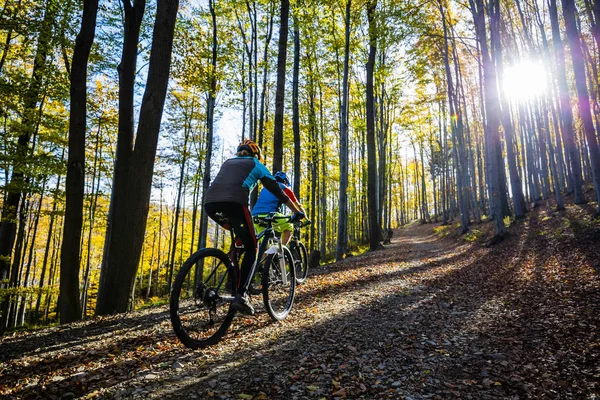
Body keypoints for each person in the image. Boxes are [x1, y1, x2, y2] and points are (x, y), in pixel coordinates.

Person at [204, 140, 303, 315]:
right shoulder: (256, 164)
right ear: (256, 155)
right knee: (252, 248)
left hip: (210, 205)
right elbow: (276, 190)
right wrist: (297, 211)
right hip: (235, 204)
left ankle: (233, 279)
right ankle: (241, 295)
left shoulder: (228, 162)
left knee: (240, 242)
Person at [252, 171, 307, 246]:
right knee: (289, 226)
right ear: (285, 181)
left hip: (255, 216)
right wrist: (306, 218)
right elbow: (298, 205)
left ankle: (267, 257)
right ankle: (282, 252)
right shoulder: (285, 188)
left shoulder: (265, 188)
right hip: (270, 214)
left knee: (266, 246)